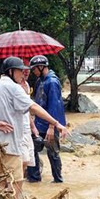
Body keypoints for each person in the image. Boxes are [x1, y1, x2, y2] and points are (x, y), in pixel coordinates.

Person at [0, 56, 68, 199]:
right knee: (16, 183)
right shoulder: (14, 88)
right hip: (10, 146)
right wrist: (55, 123)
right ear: (11, 71)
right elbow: (33, 107)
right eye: (20, 71)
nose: (23, 74)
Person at [27, 55, 66, 183]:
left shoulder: (52, 82)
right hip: (39, 122)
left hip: (50, 124)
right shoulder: (40, 81)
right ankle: (34, 178)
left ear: (41, 66)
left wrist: (51, 126)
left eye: (34, 69)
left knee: (53, 153)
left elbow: (55, 106)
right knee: (32, 148)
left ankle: (58, 180)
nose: (33, 72)